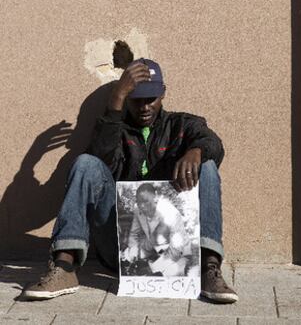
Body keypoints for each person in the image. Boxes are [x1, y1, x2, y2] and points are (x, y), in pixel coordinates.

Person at [23, 58, 238, 303]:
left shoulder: (181, 124)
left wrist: (196, 151)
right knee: (85, 163)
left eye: (151, 99)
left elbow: (212, 142)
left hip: (173, 251)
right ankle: (65, 266)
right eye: (136, 99)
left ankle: (209, 268)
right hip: (119, 246)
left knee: (207, 165)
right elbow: (100, 159)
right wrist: (115, 99)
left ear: (163, 94)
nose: (144, 107)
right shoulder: (115, 128)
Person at [121, 183, 193, 277]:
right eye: (139, 202)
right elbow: (134, 234)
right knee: (126, 256)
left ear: (155, 198)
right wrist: (133, 253)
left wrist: (153, 267)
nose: (142, 206)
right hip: (153, 249)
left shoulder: (170, 213)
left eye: (146, 201)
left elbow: (176, 249)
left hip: (178, 252)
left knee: (170, 273)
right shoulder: (138, 210)